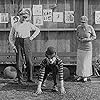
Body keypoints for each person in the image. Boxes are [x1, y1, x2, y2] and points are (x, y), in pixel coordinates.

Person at [9, 9, 40, 84]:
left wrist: (31, 38)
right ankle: (20, 79)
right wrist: (13, 45)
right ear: (19, 16)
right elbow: (10, 37)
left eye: (25, 17)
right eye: (23, 17)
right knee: (19, 61)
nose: (24, 19)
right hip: (18, 42)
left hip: (27, 42)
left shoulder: (28, 24)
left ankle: (30, 78)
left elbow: (37, 30)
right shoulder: (15, 25)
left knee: (29, 61)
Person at [76, 16, 96, 82]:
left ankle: (86, 76)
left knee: (86, 62)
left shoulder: (90, 28)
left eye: (84, 22)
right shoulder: (78, 28)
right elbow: (76, 35)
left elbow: (94, 36)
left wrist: (87, 39)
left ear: (86, 22)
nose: (82, 24)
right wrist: (79, 39)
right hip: (80, 47)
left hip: (87, 48)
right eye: (81, 22)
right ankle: (80, 75)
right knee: (80, 62)